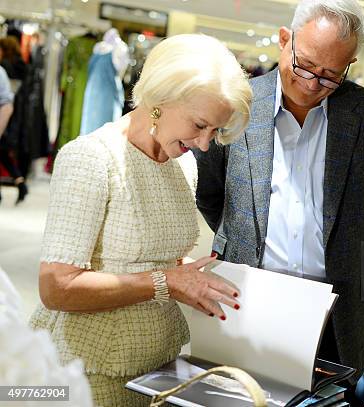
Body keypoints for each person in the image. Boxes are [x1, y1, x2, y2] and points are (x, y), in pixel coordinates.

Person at [195, 0, 364, 402]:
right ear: (284, 40)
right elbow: (211, 194)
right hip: (246, 301)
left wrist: (337, 246)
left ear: (349, 64)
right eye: (304, 66)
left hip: (333, 314)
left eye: (329, 76)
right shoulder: (236, 105)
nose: (311, 83)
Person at [29, 34, 252, 406]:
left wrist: (192, 280)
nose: (204, 143)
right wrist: (168, 281)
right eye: (199, 125)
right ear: (160, 99)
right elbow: (56, 288)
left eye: (215, 131)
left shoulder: (183, 165)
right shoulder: (92, 159)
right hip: (85, 369)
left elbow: (157, 257)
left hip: (157, 366)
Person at [0, 37, 26, 204]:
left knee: (3, 153)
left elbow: (7, 101)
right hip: (16, 115)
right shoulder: (21, 64)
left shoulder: (6, 67)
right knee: (3, 154)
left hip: (6, 116)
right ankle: (20, 183)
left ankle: (20, 183)